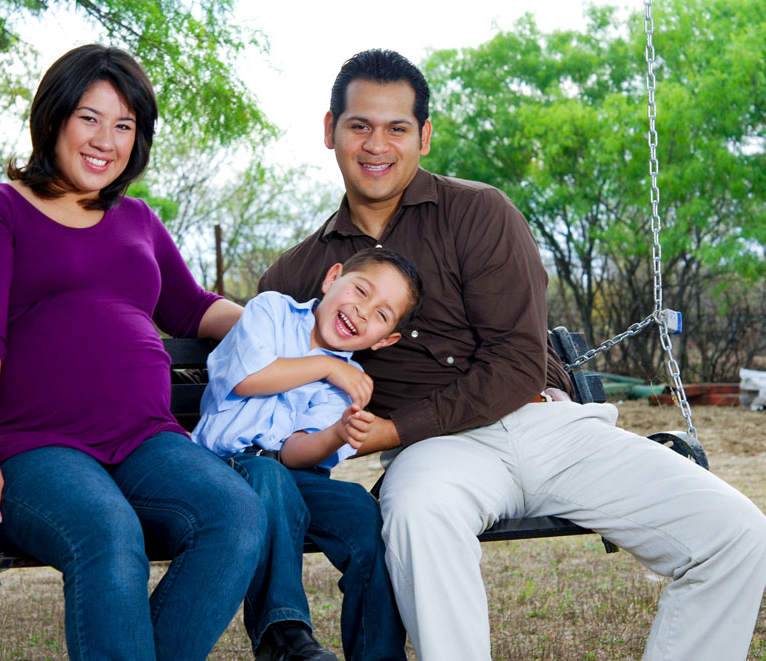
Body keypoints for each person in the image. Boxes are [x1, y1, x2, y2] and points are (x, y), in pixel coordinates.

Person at [258, 48, 766, 661]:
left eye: (397, 128)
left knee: (738, 536)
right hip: (440, 455)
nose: (376, 144)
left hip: (549, 426)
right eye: (359, 124)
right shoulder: (301, 271)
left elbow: (518, 362)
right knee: (416, 511)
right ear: (329, 130)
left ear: (424, 136)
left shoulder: (479, 212)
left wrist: (391, 428)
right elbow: (254, 348)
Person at [0, 45, 266, 660]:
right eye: (90, 118)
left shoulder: (137, 219)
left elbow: (191, 308)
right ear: (54, 118)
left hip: (144, 440)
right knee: (108, 530)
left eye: (124, 125)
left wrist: (276, 329)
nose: (105, 140)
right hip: (36, 446)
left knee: (237, 514)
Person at [193, 247, 420, 661]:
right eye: (361, 291)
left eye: (382, 315)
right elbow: (247, 378)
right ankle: (283, 637)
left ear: (385, 340)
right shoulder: (272, 311)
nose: (363, 312)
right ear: (332, 278)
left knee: (361, 509)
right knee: (267, 474)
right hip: (224, 470)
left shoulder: (354, 383)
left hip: (290, 479)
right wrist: (327, 366)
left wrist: (337, 433)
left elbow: (297, 454)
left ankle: (379, 653)